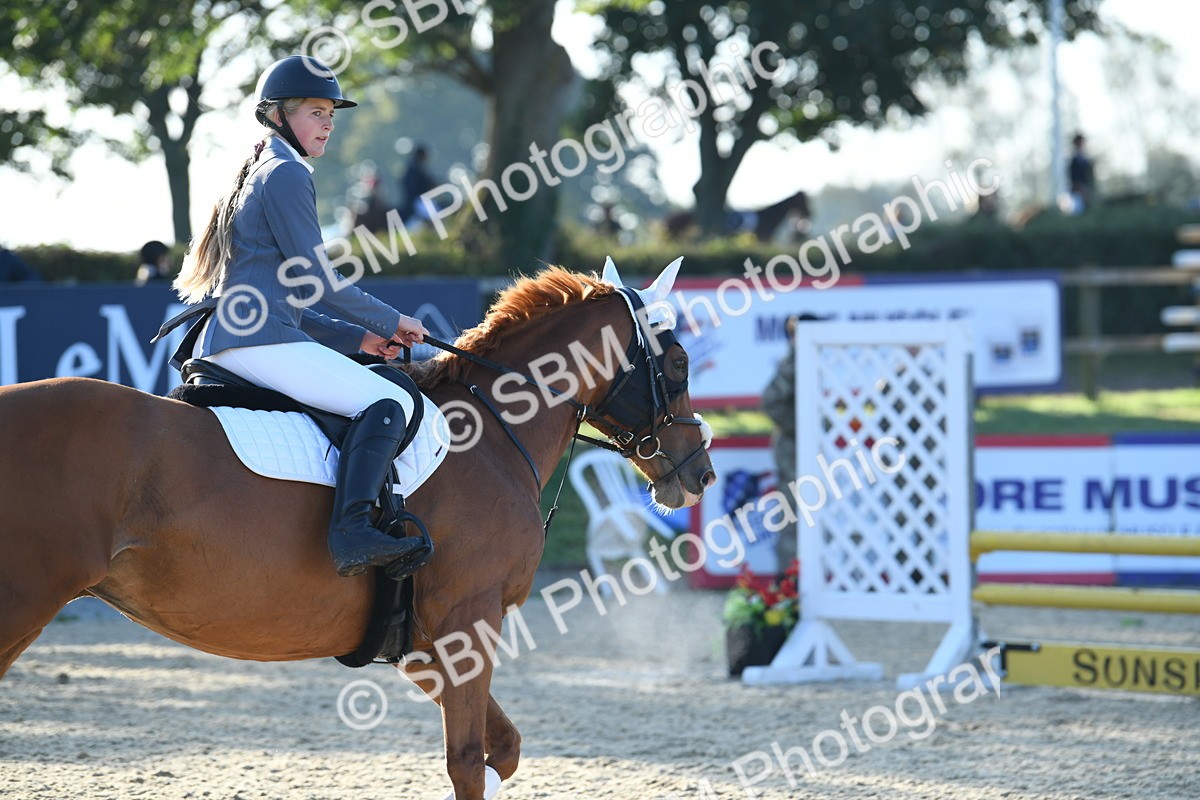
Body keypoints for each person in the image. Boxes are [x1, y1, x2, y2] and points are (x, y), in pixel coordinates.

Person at [154, 55, 432, 580]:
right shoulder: (285, 173)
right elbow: (318, 279)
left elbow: (290, 295)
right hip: (255, 342)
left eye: (332, 113)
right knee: (390, 398)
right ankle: (352, 533)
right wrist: (391, 321)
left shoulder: (268, 169)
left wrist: (360, 340)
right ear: (278, 115)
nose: (328, 123)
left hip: (250, 335)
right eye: (316, 111)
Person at [760, 313, 820, 570]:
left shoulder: (810, 360)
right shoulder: (795, 361)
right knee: (793, 517)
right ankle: (788, 584)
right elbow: (770, 401)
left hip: (805, 450)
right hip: (792, 452)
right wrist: (802, 429)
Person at [396, 145, 439, 228]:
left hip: (415, 200)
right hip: (418, 200)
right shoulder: (415, 169)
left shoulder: (412, 168)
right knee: (434, 216)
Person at [1067, 133, 1095, 214]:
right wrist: (1078, 187)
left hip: (1088, 191)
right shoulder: (1074, 160)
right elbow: (1073, 177)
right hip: (1078, 192)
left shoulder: (1086, 159)